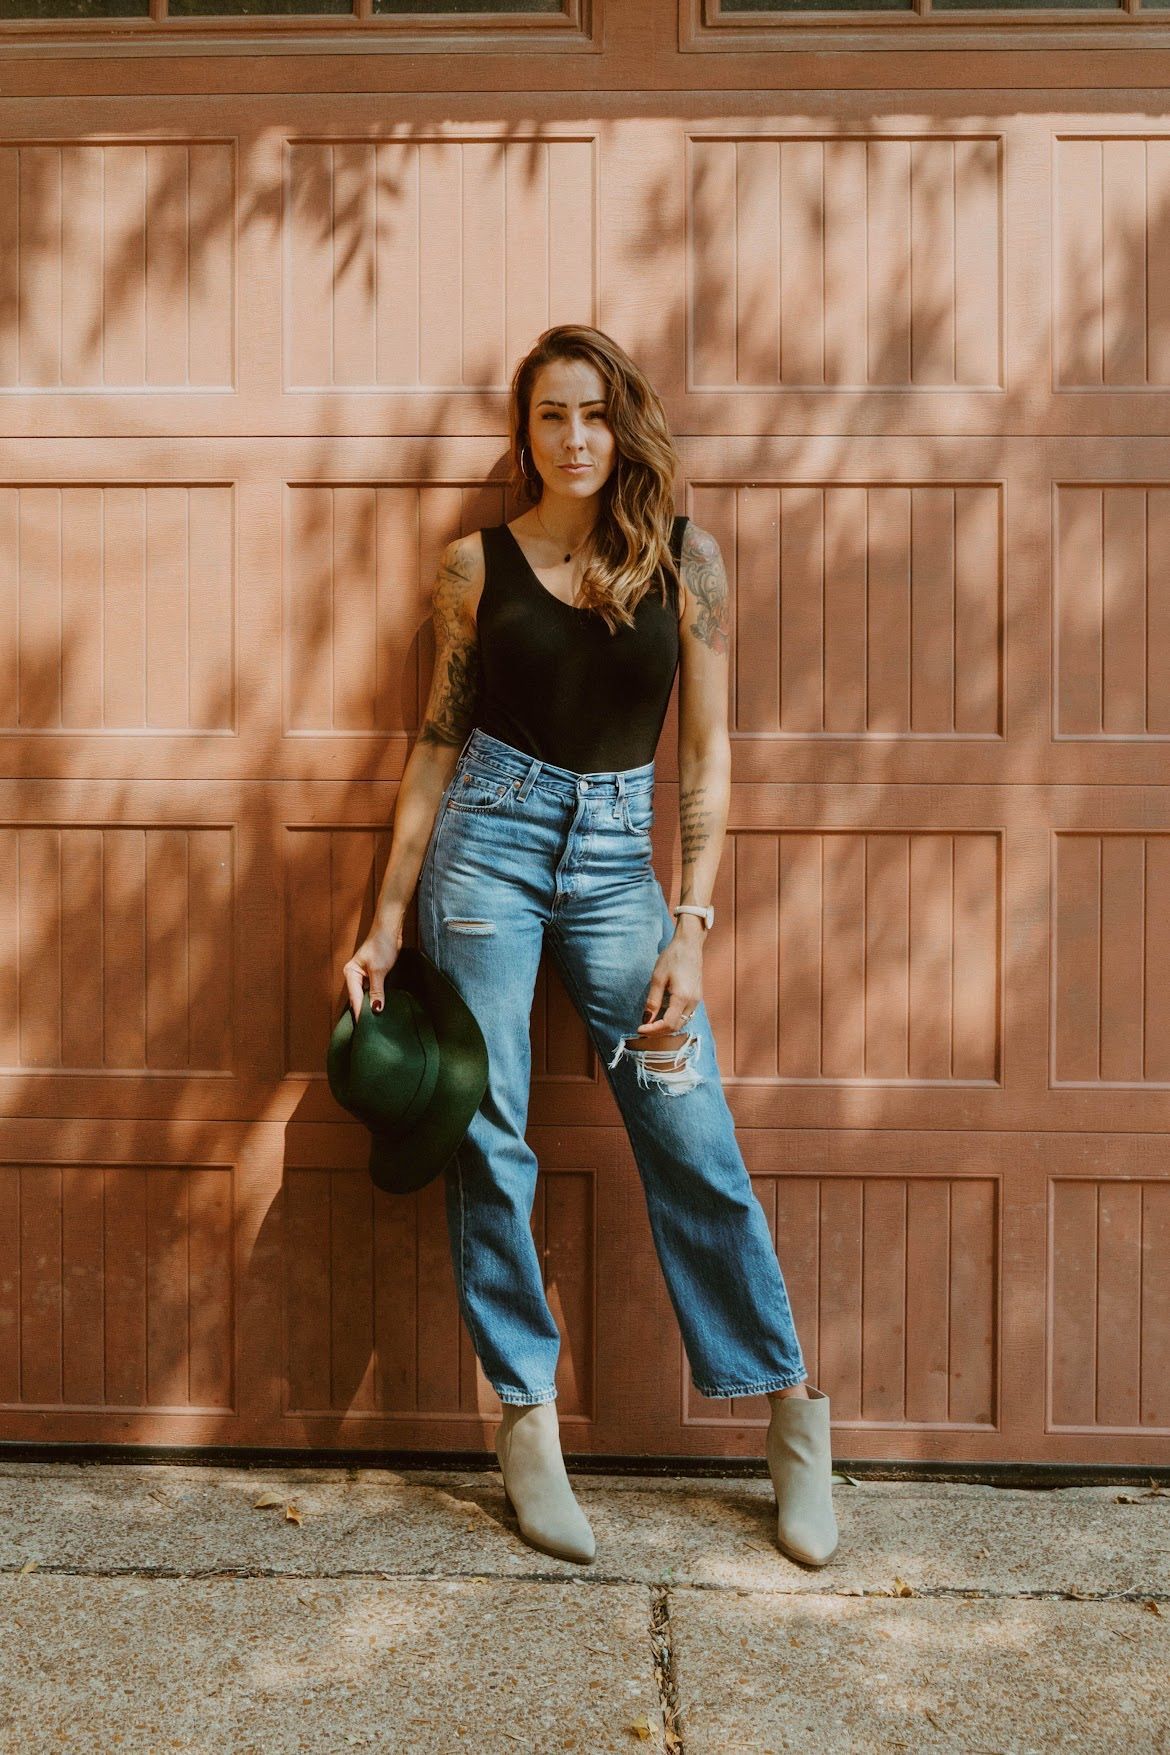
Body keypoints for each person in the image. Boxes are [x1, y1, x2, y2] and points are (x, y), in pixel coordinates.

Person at [342, 324, 838, 1571]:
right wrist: (388, 916)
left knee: (690, 1128)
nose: (576, 438)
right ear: (525, 432)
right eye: (553, 416)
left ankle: (792, 1417)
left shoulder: (685, 562)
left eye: (596, 415)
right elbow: (434, 745)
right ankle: (527, 1425)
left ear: (626, 427)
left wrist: (694, 922)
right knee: (490, 1131)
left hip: (622, 864)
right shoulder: (474, 569)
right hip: (487, 854)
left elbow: (710, 757)